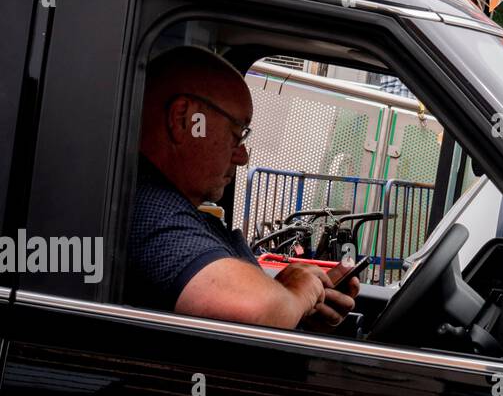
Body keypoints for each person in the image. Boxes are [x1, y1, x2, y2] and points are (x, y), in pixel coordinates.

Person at [127, 45, 360, 330]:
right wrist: (297, 291)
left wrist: (297, 307)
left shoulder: (176, 210)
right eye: (236, 135)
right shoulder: (150, 211)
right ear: (183, 119)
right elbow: (257, 309)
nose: (243, 156)